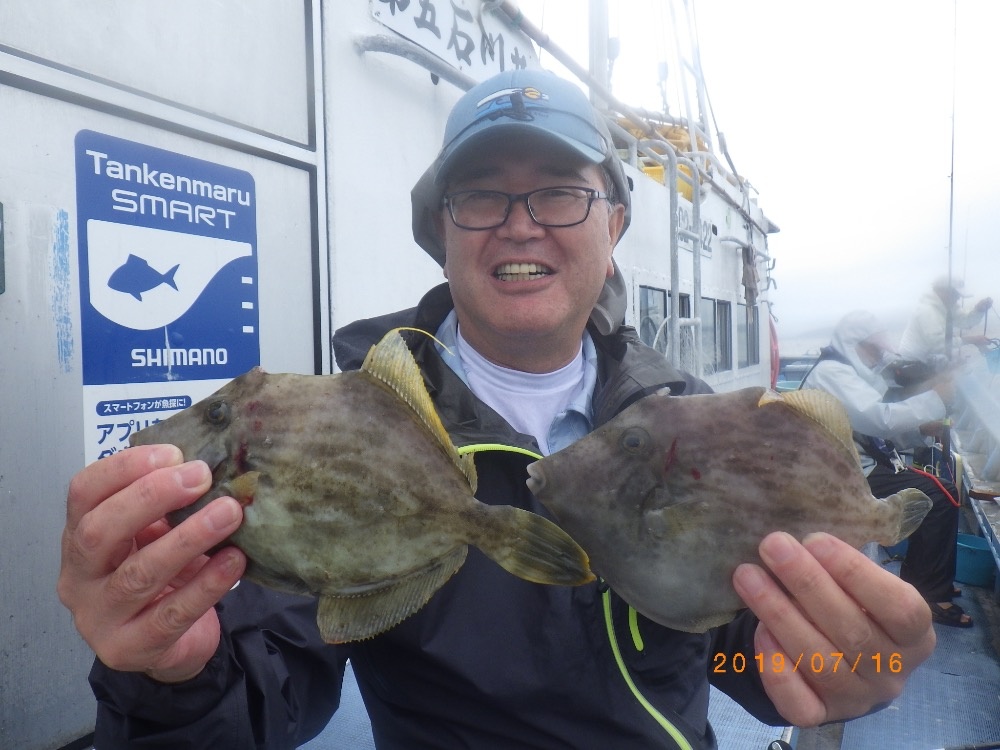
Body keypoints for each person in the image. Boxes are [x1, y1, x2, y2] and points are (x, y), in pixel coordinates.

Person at [58, 70, 935, 749]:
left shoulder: (696, 429)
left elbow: (743, 654)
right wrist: (167, 677)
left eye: (560, 190)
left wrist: (845, 661)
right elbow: (262, 686)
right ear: (440, 232)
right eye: (480, 195)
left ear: (614, 226)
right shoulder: (349, 428)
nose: (520, 224)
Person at [800, 310, 971, 628]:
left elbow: (870, 433)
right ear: (853, 344)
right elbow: (879, 419)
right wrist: (936, 397)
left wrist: (921, 430)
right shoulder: (831, 374)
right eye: (873, 350)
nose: (879, 358)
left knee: (939, 491)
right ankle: (929, 593)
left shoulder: (846, 373)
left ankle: (929, 578)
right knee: (937, 496)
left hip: (855, 466)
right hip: (838, 477)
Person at [898, 274, 993, 366]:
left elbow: (965, 321)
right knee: (963, 373)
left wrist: (979, 310)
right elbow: (938, 343)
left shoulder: (948, 305)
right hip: (914, 362)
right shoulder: (926, 310)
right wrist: (973, 340)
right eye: (955, 294)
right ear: (942, 291)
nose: (958, 298)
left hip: (932, 357)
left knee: (963, 369)